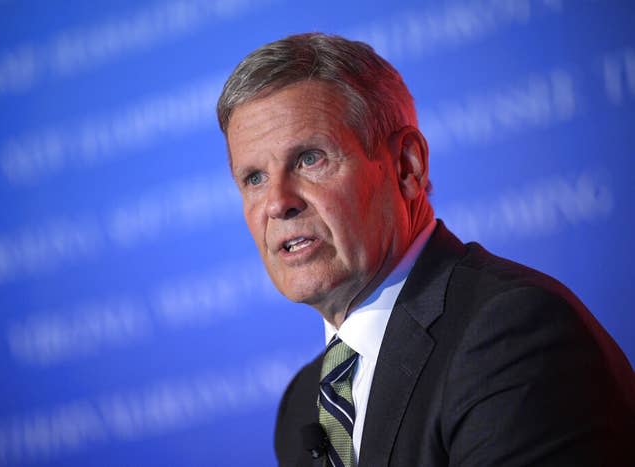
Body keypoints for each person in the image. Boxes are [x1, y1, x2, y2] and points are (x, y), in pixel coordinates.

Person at [216, 33, 634, 467]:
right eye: (254, 179)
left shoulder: (509, 334)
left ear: (407, 166)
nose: (278, 202)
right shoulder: (303, 403)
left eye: (309, 159)